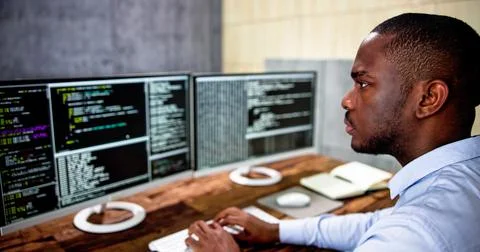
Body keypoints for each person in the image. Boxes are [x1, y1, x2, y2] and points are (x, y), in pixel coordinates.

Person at [185, 13, 480, 251]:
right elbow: (378, 224)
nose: (347, 99)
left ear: (428, 99)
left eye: (363, 83)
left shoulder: (417, 234)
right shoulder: (458, 184)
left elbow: (402, 231)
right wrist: (275, 229)